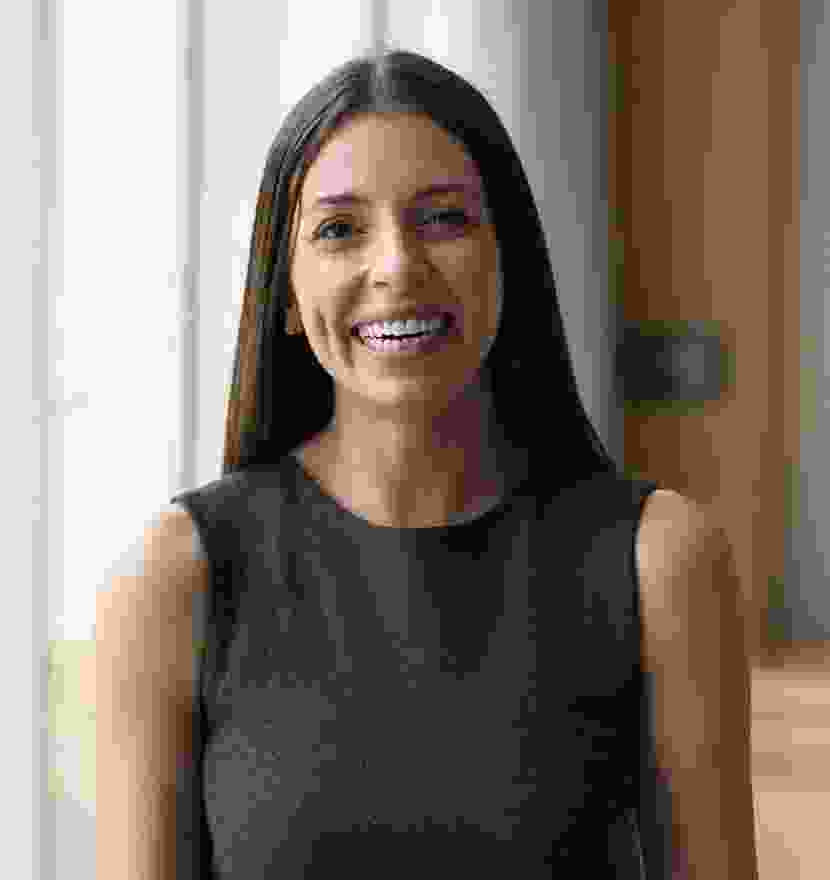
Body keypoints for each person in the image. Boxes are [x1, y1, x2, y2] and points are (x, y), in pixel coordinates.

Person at [96, 48, 759, 878]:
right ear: (287, 295)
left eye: (444, 218)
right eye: (339, 229)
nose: (397, 266)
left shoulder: (658, 561)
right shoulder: (178, 576)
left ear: (508, 260)